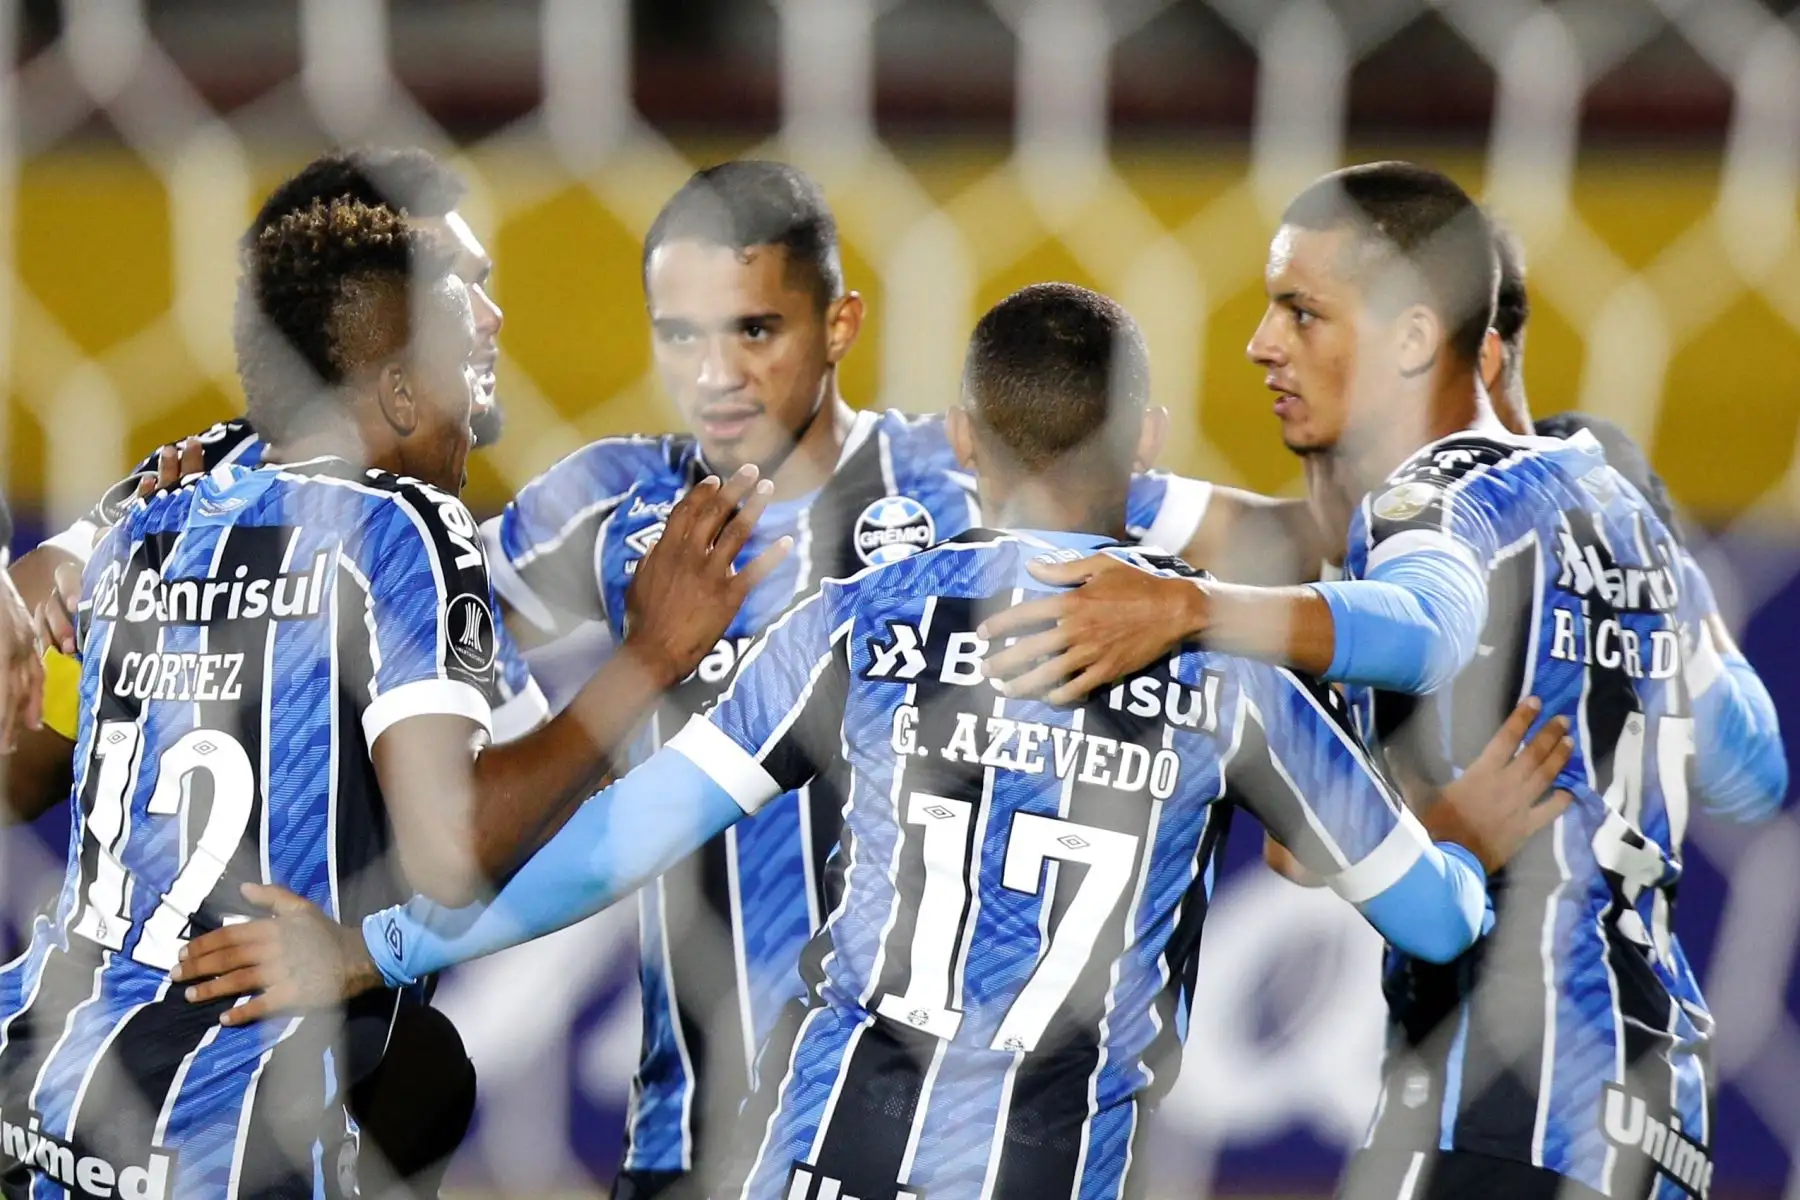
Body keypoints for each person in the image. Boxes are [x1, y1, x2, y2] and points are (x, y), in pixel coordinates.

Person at [174, 282, 1573, 1200]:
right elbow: (1439, 927)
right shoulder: (1232, 672)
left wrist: (379, 948)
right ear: (1143, 451)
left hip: (822, 1166)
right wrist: (1465, 846)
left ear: (963, 438)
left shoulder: (854, 628)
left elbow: (622, 839)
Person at [980, 163, 1765, 1199]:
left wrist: (1190, 608)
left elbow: (1421, 625)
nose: (1263, 342)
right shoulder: (1608, 506)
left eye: (1302, 314)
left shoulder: (1435, 501)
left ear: (1422, 337)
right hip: (1655, 1100)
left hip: (1503, 1104)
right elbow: (1752, 773)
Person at [476, 161, 1225, 1200]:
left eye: (752, 330)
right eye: (680, 335)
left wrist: (1208, 613)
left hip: (904, 1127)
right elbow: (406, 622)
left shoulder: (970, 468)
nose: (715, 375)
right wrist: (236, 479)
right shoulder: (610, 499)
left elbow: (1277, 538)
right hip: (688, 1127)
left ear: (839, 324)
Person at [0, 198, 776, 1199]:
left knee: (422, 1070)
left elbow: (43, 743)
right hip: (220, 1114)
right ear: (404, 393)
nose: (489, 343)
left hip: (41, 1067)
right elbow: (454, 847)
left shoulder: (156, 518)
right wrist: (650, 656)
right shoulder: (399, 525)